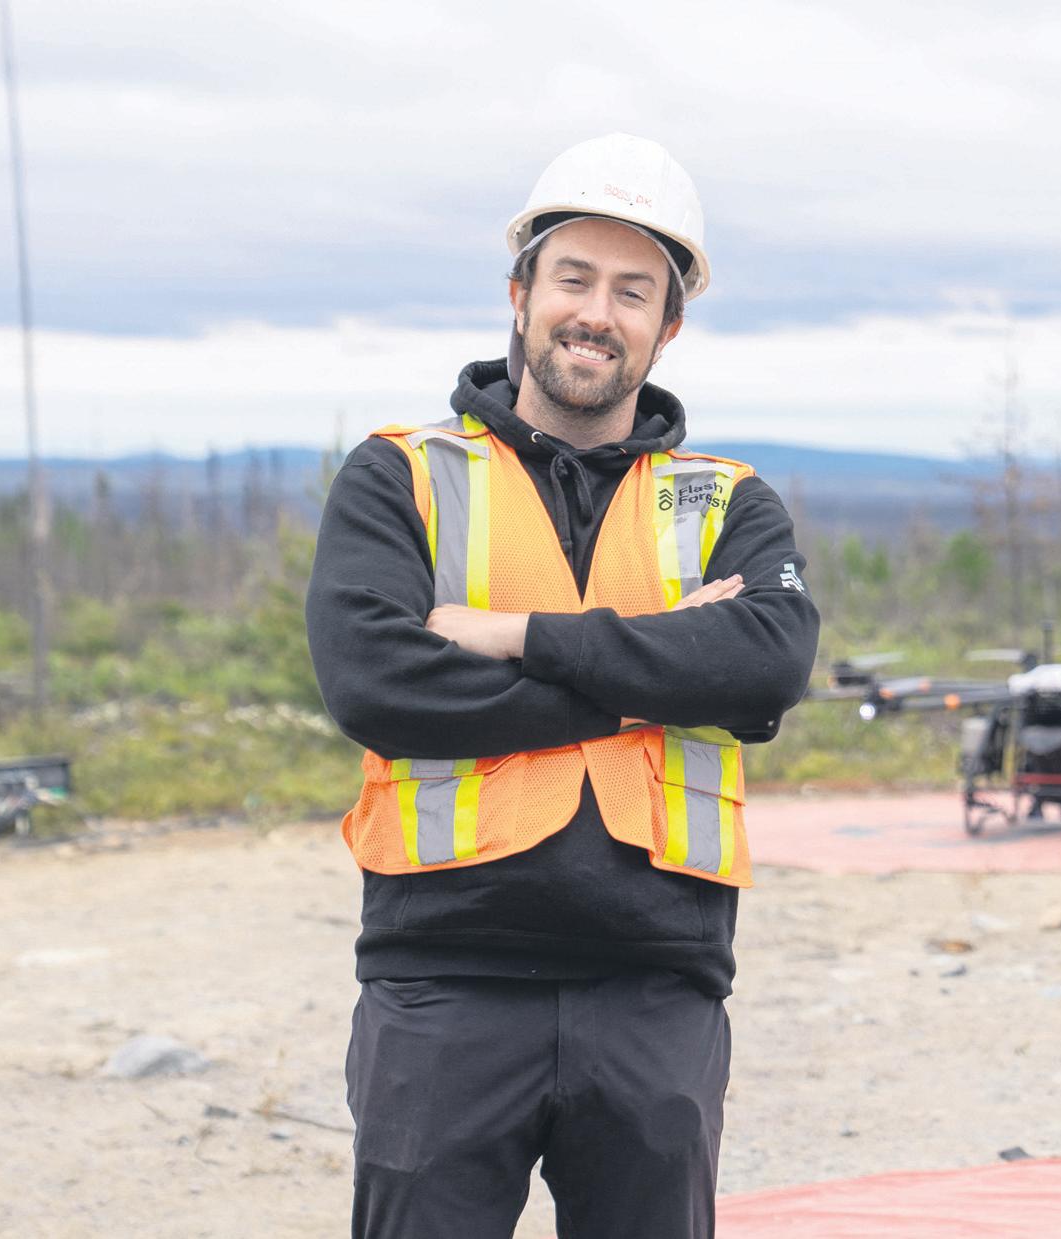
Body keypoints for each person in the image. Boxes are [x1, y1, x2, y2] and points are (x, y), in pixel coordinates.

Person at [305, 133, 820, 1239]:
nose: (598, 312)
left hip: (656, 981)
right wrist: (654, 676)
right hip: (444, 978)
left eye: (634, 291)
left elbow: (766, 663)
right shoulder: (402, 476)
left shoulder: (727, 500)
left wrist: (507, 636)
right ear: (519, 294)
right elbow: (381, 687)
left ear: (668, 325)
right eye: (574, 279)